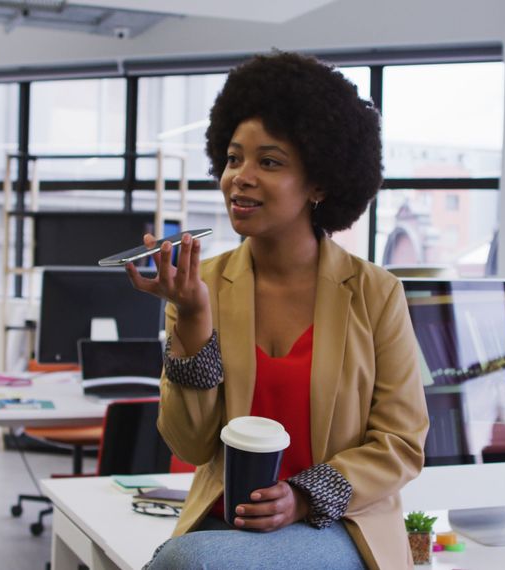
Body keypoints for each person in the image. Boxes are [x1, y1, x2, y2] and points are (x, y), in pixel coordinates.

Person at [125, 51, 429, 569]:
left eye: (268, 162)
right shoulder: (201, 287)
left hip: (336, 524)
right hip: (226, 523)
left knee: (190, 564)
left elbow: (401, 444)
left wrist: (303, 496)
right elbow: (191, 444)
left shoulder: (375, 293)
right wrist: (194, 321)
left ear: (319, 183)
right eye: (232, 158)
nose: (239, 177)